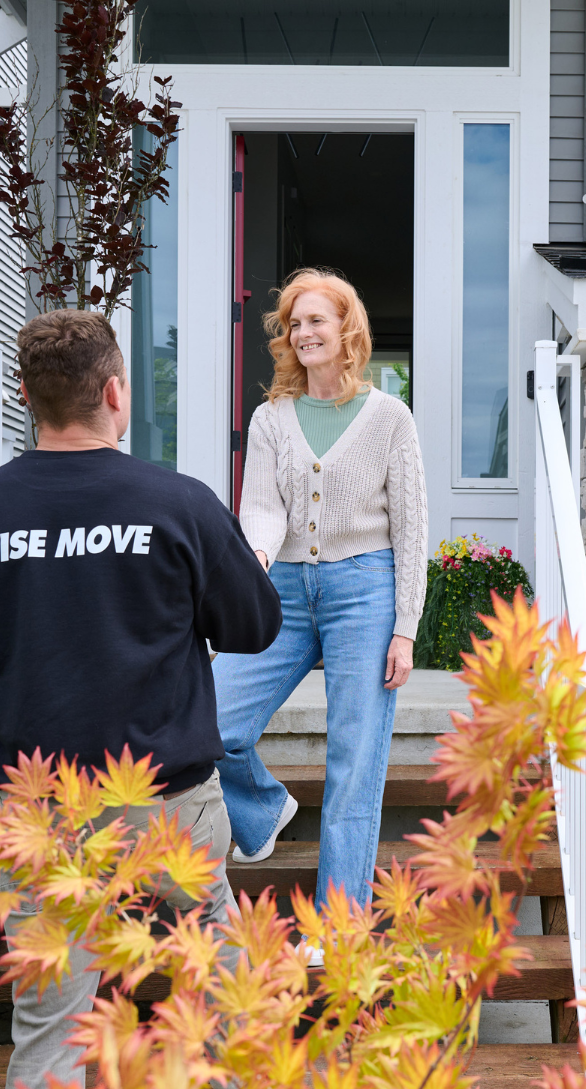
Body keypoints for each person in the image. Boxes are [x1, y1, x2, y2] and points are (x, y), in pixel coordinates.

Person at [0, 308, 281, 1089]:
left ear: (31, 401)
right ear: (115, 392)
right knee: (209, 986)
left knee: (49, 1023)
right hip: (170, 805)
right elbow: (255, 624)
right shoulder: (178, 503)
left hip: (41, 820)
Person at [214, 269, 427, 949]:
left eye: (317, 322)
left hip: (365, 591)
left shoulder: (389, 417)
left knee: (353, 765)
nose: (303, 333)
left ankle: (338, 932)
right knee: (212, 718)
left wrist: (405, 628)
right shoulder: (272, 417)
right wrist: (249, 578)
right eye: (294, 323)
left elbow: (411, 527)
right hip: (285, 593)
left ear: (347, 332)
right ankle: (265, 809)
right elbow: (262, 511)